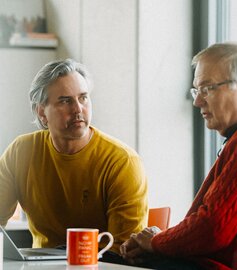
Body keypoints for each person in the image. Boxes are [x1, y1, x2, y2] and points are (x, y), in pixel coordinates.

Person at [120, 42, 237, 270]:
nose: (198, 101)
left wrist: (156, 241)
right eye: (196, 90)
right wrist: (157, 242)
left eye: (207, 89)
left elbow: (213, 229)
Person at [0, 59, 148, 257]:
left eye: (83, 98)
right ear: (42, 112)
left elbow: (124, 251)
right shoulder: (21, 151)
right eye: (65, 101)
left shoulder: (121, 161)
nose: (78, 109)